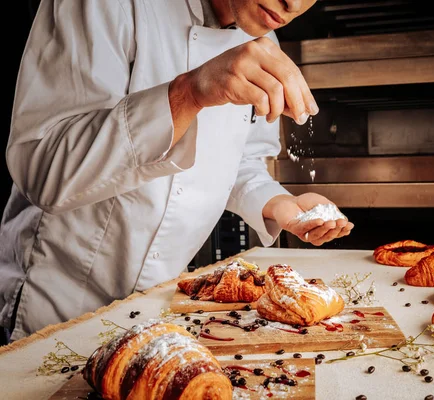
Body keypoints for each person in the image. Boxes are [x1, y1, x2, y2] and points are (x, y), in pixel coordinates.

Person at [0, 0, 354, 344]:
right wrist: (190, 92)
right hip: (59, 305)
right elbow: (43, 172)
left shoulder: (263, 39)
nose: (293, 3)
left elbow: (241, 160)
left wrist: (279, 204)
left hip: (160, 305)